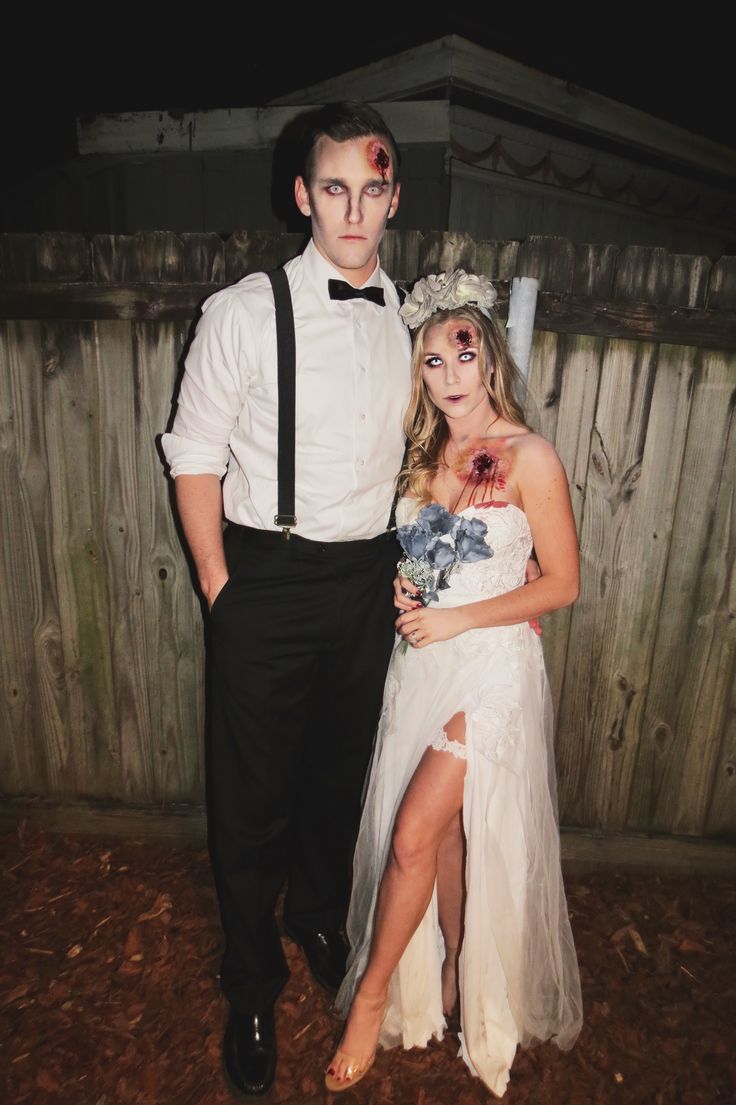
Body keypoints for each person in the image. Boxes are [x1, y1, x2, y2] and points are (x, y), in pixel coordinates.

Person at [160, 103, 410, 1098]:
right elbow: (192, 454)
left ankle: (316, 910)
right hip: (266, 575)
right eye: (334, 188)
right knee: (251, 796)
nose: (354, 210)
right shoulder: (241, 311)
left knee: (336, 774)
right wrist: (222, 589)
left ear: (393, 196)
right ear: (303, 195)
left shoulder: (411, 317)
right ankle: (250, 983)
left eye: (372, 188)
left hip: (367, 582)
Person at [325, 271, 583, 1097]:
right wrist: (409, 589)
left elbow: (562, 584)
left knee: (411, 832)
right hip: (425, 664)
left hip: (493, 670)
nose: (448, 374)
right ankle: (450, 983)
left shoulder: (528, 457)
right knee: (444, 842)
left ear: (489, 356)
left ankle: (370, 998)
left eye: (461, 353)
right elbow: (428, 561)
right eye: (431, 362)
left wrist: (462, 619)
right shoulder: (425, 455)